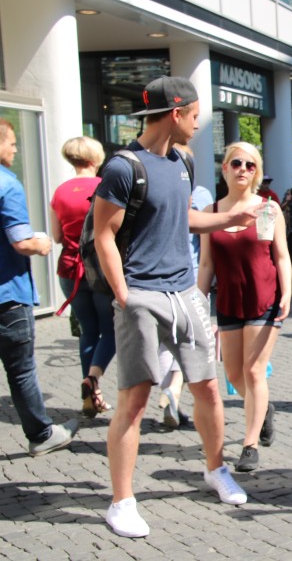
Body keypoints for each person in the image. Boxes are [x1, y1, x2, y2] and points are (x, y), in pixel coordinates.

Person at [94, 76, 260, 538]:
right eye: (194, 115)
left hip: (185, 292)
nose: (197, 124)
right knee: (135, 399)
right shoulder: (123, 167)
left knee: (207, 387)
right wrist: (125, 296)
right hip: (142, 295)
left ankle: (215, 468)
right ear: (176, 113)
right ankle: (121, 501)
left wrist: (227, 218)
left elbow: (182, 216)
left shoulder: (182, 162)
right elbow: (104, 234)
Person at [198, 141, 291, 472]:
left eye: (251, 166)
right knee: (235, 375)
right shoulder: (211, 212)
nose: (243, 170)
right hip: (228, 302)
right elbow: (207, 264)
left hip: (263, 299)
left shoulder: (267, 209)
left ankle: (249, 444)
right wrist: (198, 303)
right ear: (224, 168)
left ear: (258, 172)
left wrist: (287, 293)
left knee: (254, 371)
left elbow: (280, 255)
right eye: (237, 163)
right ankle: (264, 408)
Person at [0, 118, 80, 456]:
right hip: (8, 296)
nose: (16, 149)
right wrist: (44, 243)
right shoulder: (7, 184)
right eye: (11, 142)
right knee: (21, 371)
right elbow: (20, 241)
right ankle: (41, 433)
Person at [50, 136, 115, 417]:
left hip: (69, 268)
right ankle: (93, 381)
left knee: (87, 331)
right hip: (100, 268)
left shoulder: (60, 192)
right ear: (95, 158)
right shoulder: (104, 187)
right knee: (110, 330)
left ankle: (91, 395)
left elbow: (56, 236)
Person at [156, 143, 213, 429]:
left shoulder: (153, 189)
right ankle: (174, 389)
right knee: (190, 342)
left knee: (166, 344)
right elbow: (206, 244)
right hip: (188, 279)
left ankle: (170, 394)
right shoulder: (200, 195)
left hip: (155, 282)